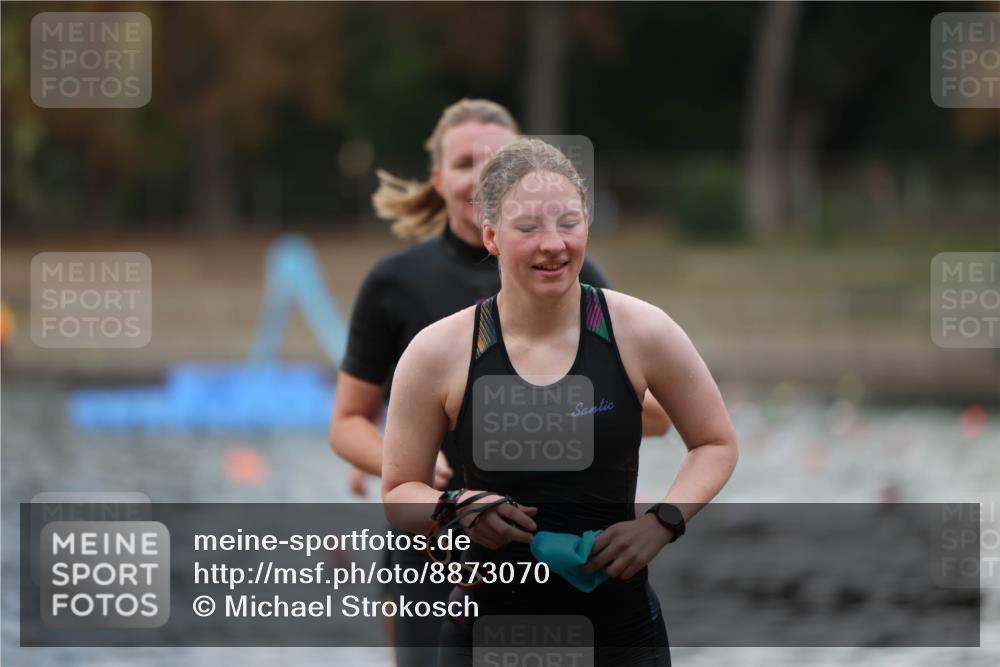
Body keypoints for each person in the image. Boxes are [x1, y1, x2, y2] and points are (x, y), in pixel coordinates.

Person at [329, 100, 668, 665]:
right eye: (466, 162)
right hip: (434, 540)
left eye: (498, 159)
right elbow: (346, 423)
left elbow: (650, 412)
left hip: (550, 545)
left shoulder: (572, 276)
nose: (483, 173)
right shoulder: (393, 284)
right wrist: (415, 465)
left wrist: (558, 414)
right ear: (438, 180)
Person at [381, 139, 737, 666]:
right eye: (528, 228)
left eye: (568, 223)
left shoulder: (642, 331)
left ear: (587, 226)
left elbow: (716, 442)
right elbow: (398, 493)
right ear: (491, 235)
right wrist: (454, 505)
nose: (554, 244)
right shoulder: (437, 352)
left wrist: (661, 523)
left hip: (619, 632)